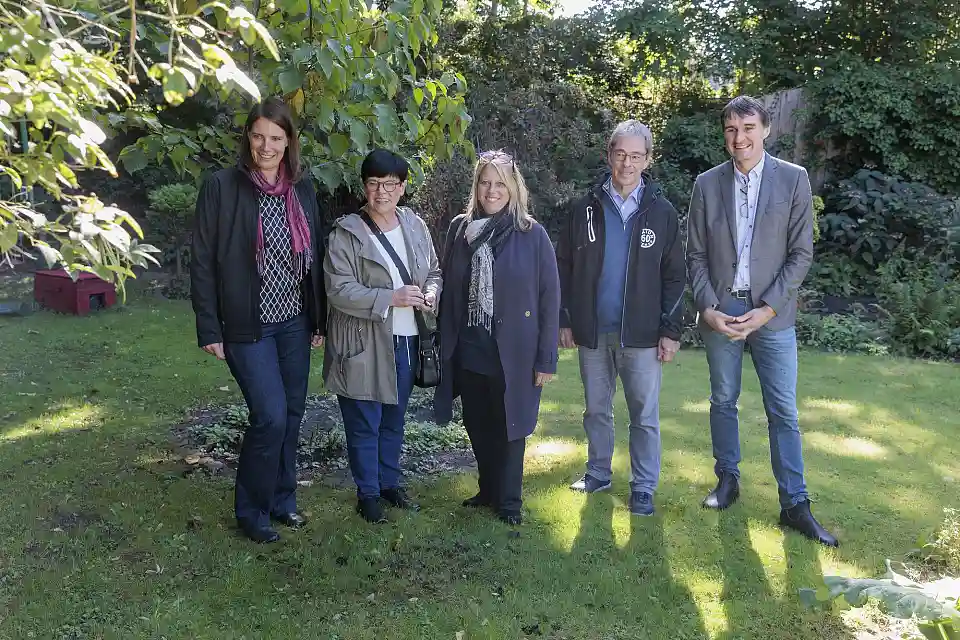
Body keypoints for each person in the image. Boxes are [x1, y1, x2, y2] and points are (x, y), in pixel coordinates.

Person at [686, 95, 838, 547]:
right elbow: (693, 253)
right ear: (724, 134)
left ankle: (795, 503)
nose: (740, 138)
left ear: (766, 129)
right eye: (732, 129)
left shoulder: (794, 179)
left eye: (748, 127)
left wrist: (768, 308)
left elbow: (801, 254)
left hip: (773, 316)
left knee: (784, 413)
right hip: (721, 312)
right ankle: (727, 481)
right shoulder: (707, 184)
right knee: (723, 401)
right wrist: (708, 307)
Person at [191, 97, 326, 544]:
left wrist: (318, 320)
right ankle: (251, 511)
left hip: (294, 321)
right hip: (247, 325)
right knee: (269, 416)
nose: (266, 147)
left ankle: (283, 500)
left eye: (276, 138)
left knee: (291, 412)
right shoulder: (222, 187)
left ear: (289, 143)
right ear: (248, 137)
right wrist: (209, 327)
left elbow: (315, 257)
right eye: (258, 136)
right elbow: (203, 261)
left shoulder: (302, 189)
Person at [556, 120, 685, 517]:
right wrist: (565, 318)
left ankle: (643, 487)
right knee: (596, 409)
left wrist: (671, 329)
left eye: (635, 156)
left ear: (648, 159)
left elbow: (676, 275)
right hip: (593, 331)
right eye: (620, 154)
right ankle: (597, 472)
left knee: (644, 416)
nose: (627, 163)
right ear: (608, 155)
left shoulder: (662, 213)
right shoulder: (585, 208)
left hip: (643, 335)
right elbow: (564, 265)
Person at [434, 150, 560, 525]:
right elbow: (445, 277)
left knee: (510, 426)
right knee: (478, 423)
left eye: (499, 183)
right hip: (470, 347)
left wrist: (546, 359)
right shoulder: (461, 229)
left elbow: (550, 297)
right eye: (485, 182)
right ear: (476, 186)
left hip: (514, 352)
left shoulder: (530, 233)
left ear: (513, 187)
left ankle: (510, 503)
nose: (492, 190)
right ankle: (488, 490)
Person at [323, 149, 441, 524]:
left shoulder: (415, 226)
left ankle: (389, 484)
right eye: (374, 184)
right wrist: (390, 297)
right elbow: (338, 289)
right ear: (364, 186)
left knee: (394, 419)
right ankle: (368, 494)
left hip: (408, 341)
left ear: (403, 187)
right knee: (364, 423)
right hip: (362, 344)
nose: (381, 192)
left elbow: (434, 271)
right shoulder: (346, 233)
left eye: (390, 184)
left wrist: (433, 292)